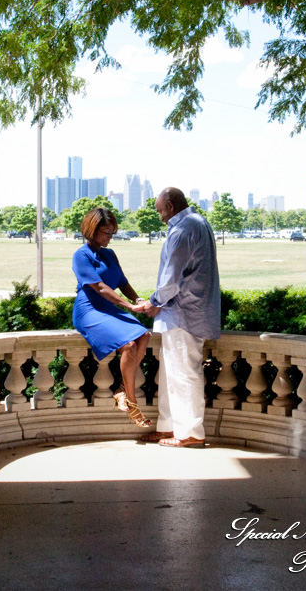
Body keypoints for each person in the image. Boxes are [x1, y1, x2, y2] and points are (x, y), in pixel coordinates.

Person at [134, 187, 221, 448]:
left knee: (184, 374)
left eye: (161, 210)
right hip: (184, 314)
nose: (160, 216)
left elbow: (171, 277)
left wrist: (153, 302)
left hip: (184, 314)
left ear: (171, 206)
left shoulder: (184, 228)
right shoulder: (199, 222)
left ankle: (191, 433)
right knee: (172, 374)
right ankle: (170, 428)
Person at [71, 207, 152, 428]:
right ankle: (132, 406)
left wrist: (137, 300)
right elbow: (100, 287)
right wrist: (128, 306)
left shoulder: (110, 254)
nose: (110, 237)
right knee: (129, 345)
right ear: (92, 230)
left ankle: (121, 390)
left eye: (112, 233)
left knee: (144, 335)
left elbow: (123, 283)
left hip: (108, 309)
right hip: (89, 310)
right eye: (106, 233)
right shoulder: (81, 255)